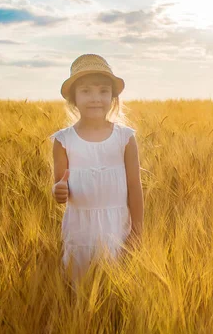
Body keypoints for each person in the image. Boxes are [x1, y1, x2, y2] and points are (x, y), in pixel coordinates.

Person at [49, 53, 144, 286]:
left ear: (113, 97)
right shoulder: (63, 141)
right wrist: (58, 191)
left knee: (116, 287)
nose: (95, 98)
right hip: (81, 231)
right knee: (80, 289)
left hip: (116, 229)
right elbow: (60, 190)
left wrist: (138, 231)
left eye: (103, 91)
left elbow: (134, 186)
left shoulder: (125, 138)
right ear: (73, 99)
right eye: (86, 91)